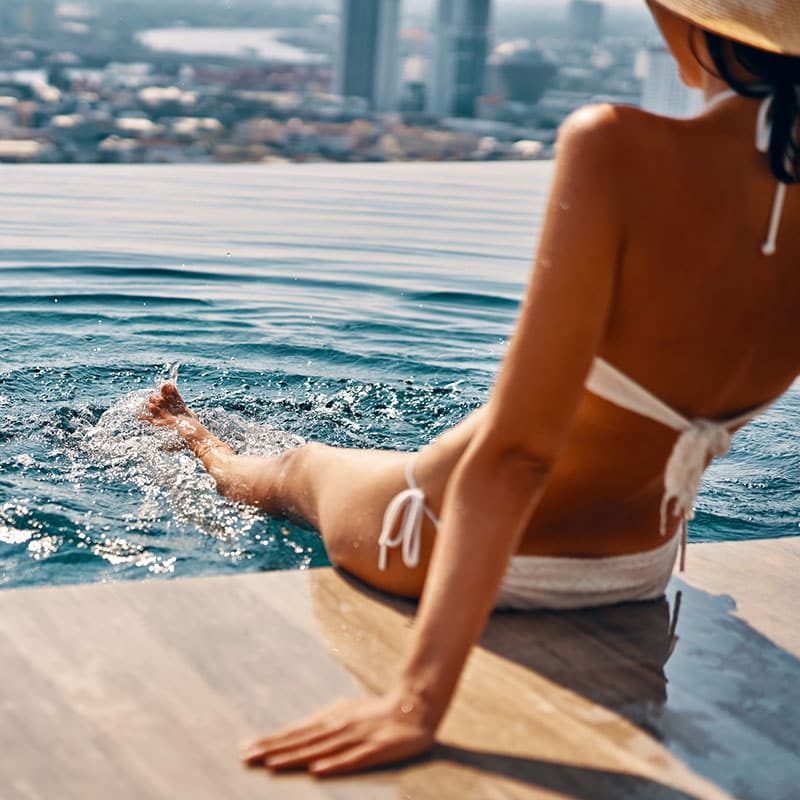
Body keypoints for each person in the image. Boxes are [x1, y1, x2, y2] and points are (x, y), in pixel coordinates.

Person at [142, 0, 800, 777]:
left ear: (698, 23)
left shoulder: (618, 144)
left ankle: (190, 432)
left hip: (436, 537)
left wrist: (415, 703)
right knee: (407, 455)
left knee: (300, 468)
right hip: (637, 564)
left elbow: (518, 452)